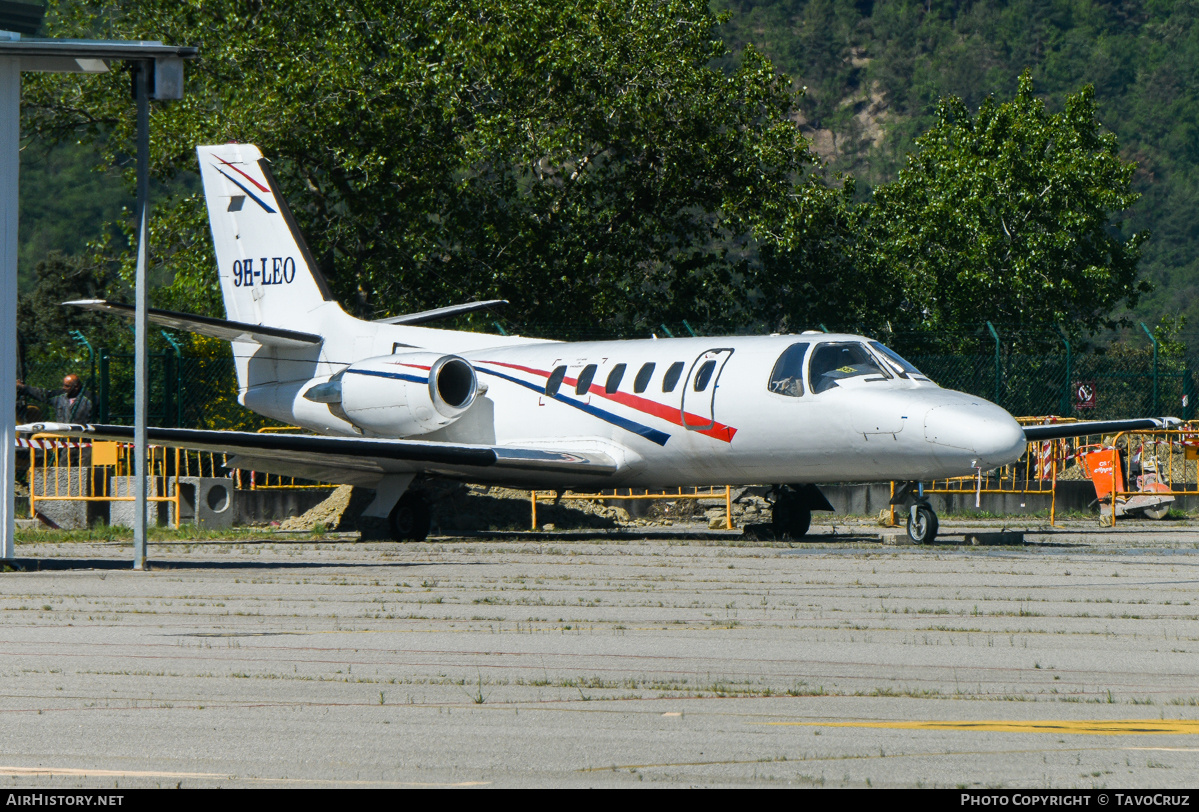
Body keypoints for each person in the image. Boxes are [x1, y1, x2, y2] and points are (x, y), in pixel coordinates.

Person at [17, 374, 93, 424]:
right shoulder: (59, 396)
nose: (64, 388)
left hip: (82, 440)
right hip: (62, 440)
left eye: (67, 386)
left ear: (76, 387)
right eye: (63, 385)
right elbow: (42, 394)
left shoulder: (89, 399)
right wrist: (23, 388)